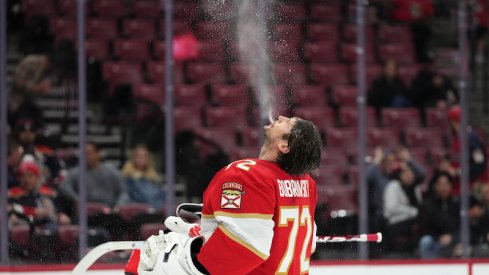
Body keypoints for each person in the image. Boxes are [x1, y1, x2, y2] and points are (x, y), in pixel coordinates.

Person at [135, 116, 322, 275]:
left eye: (288, 122)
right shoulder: (306, 183)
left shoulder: (248, 175)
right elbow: (301, 242)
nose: (280, 117)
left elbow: (246, 247)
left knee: (147, 261)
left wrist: (186, 251)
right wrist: (205, 229)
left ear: (284, 146)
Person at [59, 142, 129, 209]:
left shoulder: (111, 171)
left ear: (98, 153)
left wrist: (119, 205)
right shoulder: (77, 171)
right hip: (87, 210)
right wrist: (77, 199)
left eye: (89, 153)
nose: (86, 156)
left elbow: (123, 192)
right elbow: (64, 186)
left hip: (110, 210)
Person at [383, 163, 424, 253]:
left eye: (411, 173)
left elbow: (420, 206)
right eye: (406, 174)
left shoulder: (415, 188)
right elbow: (391, 207)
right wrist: (412, 212)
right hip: (395, 222)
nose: (409, 176)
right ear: (400, 175)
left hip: (412, 220)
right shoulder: (394, 186)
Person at [418, 172, 460, 259]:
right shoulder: (428, 205)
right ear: (435, 186)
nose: (444, 187)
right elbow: (423, 230)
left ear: (450, 186)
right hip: (435, 242)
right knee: (426, 241)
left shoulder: (457, 203)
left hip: (453, 241)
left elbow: (462, 227)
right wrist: (438, 238)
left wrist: (452, 237)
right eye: (441, 184)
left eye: (446, 184)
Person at [447, 106, 488, 194]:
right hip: (461, 185)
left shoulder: (471, 138)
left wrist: (457, 172)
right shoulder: (459, 137)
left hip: (472, 187)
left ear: (453, 122)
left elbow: (479, 164)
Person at [122, 144, 165, 209]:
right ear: (133, 158)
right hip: (137, 213)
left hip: (155, 212)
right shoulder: (127, 178)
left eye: (144, 156)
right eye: (138, 156)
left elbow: (162, 198)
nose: (141, 159)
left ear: (148, 159)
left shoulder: (154, 179)